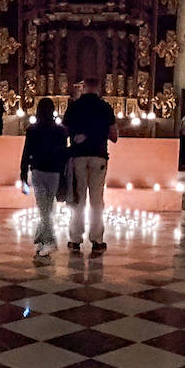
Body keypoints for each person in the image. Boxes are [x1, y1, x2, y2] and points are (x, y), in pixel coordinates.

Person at [64, 77, 118, 254]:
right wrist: (98, 133)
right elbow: (114, 135)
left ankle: (75, 239)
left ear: (83, 87)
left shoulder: (74, 106)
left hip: (78, 156)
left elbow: (64, 130)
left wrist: (79, 134)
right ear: (98, 88)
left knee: (78, 198)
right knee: (96, 199)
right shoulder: (105, 107)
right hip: (98, 156)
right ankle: (96, 240)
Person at [20, 97, 68, 258]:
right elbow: (63, 154)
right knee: (46, 208)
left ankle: (49, 241)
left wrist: (22, 174)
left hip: (38, 171)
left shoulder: (32, 130)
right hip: (54, 172)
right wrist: (64, 175)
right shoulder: (60, 130)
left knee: (44, 208)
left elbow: (26, 153)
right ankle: (41, 238)